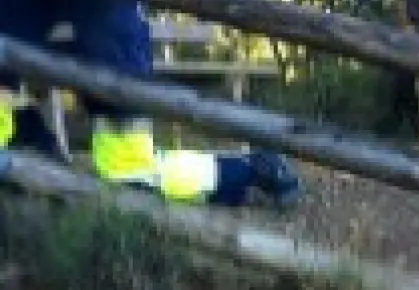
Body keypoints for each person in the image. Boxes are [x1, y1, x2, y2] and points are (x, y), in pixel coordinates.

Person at [0, 1, 300, 208]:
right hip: (43, 29)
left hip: (110, 36)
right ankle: (35, 143)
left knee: (128, 173)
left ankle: (249, 170)